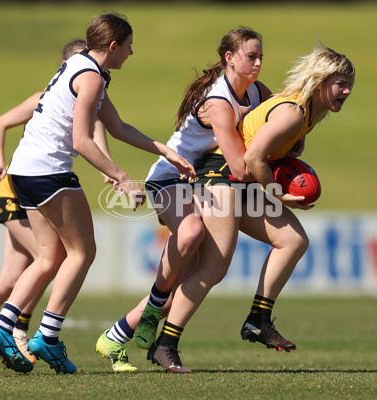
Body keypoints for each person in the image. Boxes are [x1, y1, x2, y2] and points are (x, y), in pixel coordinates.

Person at [0, 13, 194, 374]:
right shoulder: (92, 77)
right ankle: (46, 338)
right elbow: (82, 140)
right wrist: (122, 178)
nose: (131, 52)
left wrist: (164, 150)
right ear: (113, 46)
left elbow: (117, 126)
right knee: (83, 252)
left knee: (50, 258)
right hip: (49, 170)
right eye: (128, 46)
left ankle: (3, 326)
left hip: (22, 171)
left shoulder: (80, 66)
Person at [148, 44, 355, 373]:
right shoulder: (295, 111)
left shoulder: (313, 110)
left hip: (240, 180)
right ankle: (164, 344)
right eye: (340, 82)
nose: (347, 90)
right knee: (215, 267)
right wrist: (277, 193)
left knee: (293, 241)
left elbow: (264, 147)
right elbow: (252, 158)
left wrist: (289, 149)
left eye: (349, 84)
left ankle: (258, 319)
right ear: (320, 80)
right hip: (220, 175)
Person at [95, 27, 270, 373]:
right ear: (229, 58)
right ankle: (153, 308)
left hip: (200, 180)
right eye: (252, 55)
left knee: (187, 284)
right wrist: (276, 178)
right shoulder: (218, 101)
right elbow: (238, 164)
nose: (259, 62)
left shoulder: (258, 93)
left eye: (262, 55)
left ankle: (115, 337)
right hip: (169, 176)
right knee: (189, 233)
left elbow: (274, 121)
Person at [0, 39, 106, 370]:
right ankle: (17, 331)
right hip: (16, 188)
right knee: (54, 258)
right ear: (65, 66)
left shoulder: (86, 96)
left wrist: (109, 171)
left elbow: (98, 127)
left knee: (12, 277)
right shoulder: (49, 96)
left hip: (26, 185)